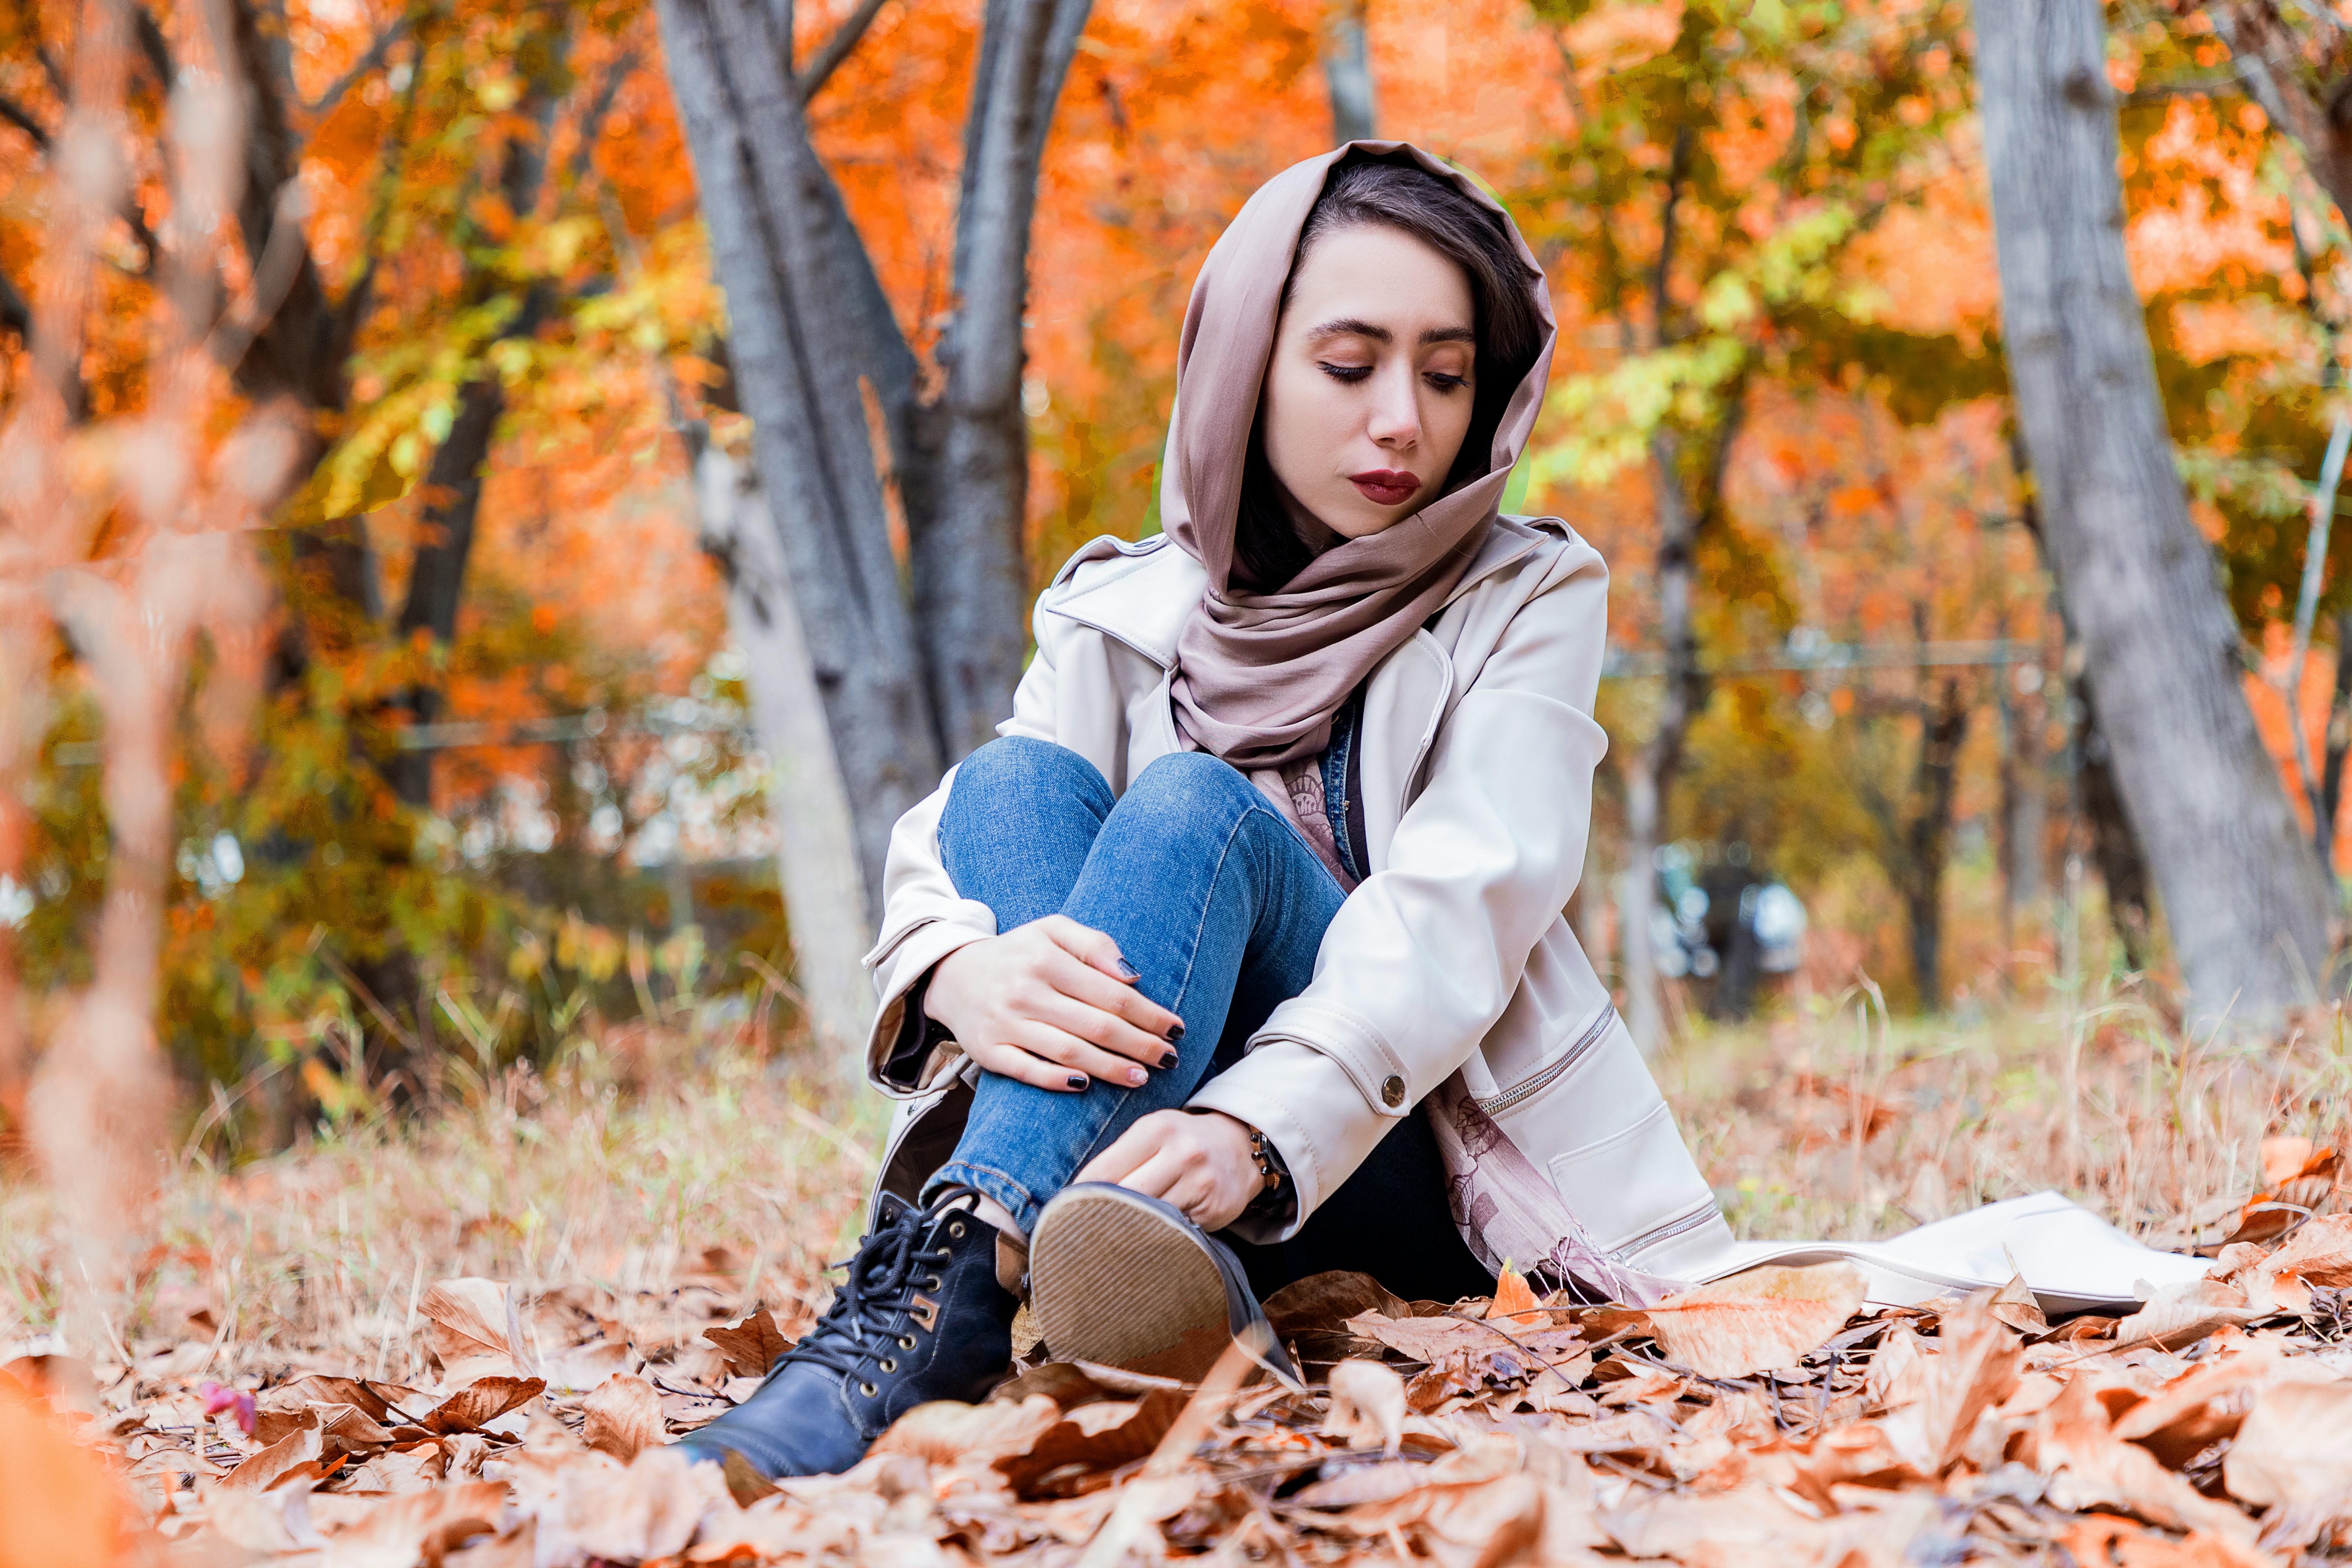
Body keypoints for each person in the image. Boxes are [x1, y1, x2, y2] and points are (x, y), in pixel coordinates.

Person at [677, 143, 1733, 1484]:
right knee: (1014, 787)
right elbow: (954, 837)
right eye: (1350, 367)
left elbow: (1461, 911)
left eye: (1447, 374)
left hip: (1393, 1159)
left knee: (1193, 809)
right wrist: (959, 971)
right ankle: (1112, 1276)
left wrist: (1255, 1133)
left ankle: (945, 1295)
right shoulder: (1119, 606)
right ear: (1245, 363)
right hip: (1146, 1169)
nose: (1404, 419)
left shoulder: (1526, 597)